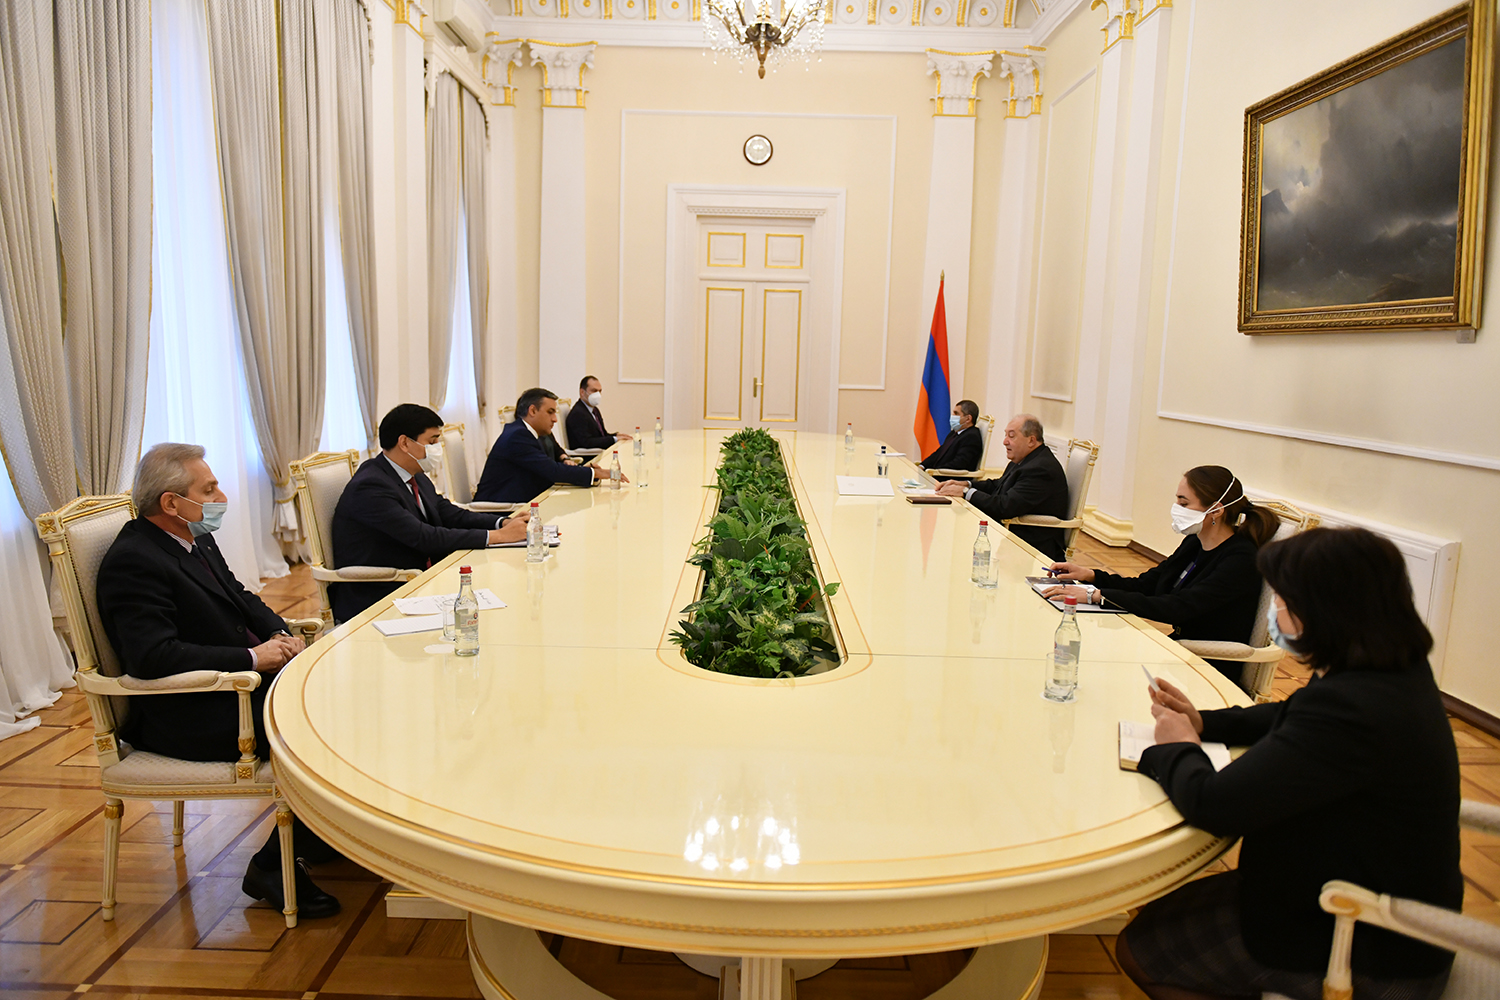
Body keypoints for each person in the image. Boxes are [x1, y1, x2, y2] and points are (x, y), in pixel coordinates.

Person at [1117, 527, 1461, 1000]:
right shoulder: (1386, 668)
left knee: (1139, 951)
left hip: (1365, 939)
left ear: (1320, 612)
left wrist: (1177, 745)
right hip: (1353, 886)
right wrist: (1203, 721)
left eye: (1280, 601)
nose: (1273, 613)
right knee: (1158, 909)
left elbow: (1213, 804)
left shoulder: (1355, 707)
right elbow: (1292, 712)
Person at [96, 443, 341, 919]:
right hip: (193, 711)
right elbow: (152, 656)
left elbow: (239, 595)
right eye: (208, 490)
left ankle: (322, 832)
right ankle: (271, 866)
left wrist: (278, 633)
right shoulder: (135, 560)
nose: (221, 497)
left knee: (346, 699)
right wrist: (251, 657)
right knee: (329, 727)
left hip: (240, 687)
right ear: (171, 502)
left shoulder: (194, 538)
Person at [1042, 467, 1275, 685]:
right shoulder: (1195, 542)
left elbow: (1177, 607)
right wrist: (1092, 576)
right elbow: (1148, 584)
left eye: (1184, 502)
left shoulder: (1241, 559)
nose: (1176, 507)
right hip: (1181, 649)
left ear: (1216, 510)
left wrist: (1095, 595)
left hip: (1208, 664)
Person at [330, 404, 530, 622]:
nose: (437, 449)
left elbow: (449, 514)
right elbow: (423, 537)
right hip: (382, 594)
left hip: (420, 579)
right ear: (404, 443)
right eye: (432, 442)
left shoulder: (413, 473)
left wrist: (502, 523)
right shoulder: (371, 486)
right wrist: (497, 537)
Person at [935, 414, 1069, 561]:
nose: (1005, 442)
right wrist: (966, 484)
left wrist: (966, 492)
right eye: (1005, 435)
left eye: (1011, 436)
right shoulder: (1026, 459)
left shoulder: (1040, 469)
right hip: (1011, 533)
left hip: (1031, 547)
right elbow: (998, 485)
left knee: (958, 541)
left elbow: (1004, 507)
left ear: (1031, 440)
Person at [475, 388, 624, 503]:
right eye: (550, 412)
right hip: (500, 511)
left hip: (526, 500)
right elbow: (552, 470)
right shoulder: (518, 436)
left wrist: (585, 471)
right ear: (532, 410)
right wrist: (595, 473)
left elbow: (546, 467)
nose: (555, 419)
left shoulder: (527, 432)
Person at [565, 375, 633, 452]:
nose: (598, 394)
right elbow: (586, 442)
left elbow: (602, 435)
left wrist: (616, 435)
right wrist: (614, 439)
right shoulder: (578, 413)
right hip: (589, 456)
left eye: (599, 391)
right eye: (594, 391)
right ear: (582, 392)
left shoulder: (594, 410)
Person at [918, 399, 984, 474]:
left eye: (956, 413)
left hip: (950, 477)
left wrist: (935, 471)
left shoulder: (971, 437)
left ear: (968, 419)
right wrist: (922, 466)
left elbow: (959, 464)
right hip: (938, 473)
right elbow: (938, 453)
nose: (952, 416)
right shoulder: (954, 433)